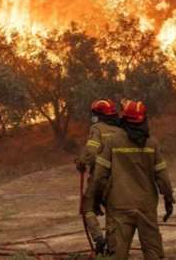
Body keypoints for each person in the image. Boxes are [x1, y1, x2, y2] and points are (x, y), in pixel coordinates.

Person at [88, 100, 174, 260]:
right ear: (144, 119)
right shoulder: (152, 144)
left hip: (119, 207)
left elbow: (99, 175)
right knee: (153, 253)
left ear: (124, 119)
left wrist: (96, 200)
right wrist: (169, 199)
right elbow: (163, 177)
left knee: (117, 255)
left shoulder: (112, 142)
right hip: (146, 206)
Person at [75, 99, 123, 254]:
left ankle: (99, 240)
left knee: (87, 206)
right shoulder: (121, 130)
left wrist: (81, 163)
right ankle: (113, 249)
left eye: (94, 114)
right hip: (120, 178)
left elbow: (91, 151)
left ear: (99, 115)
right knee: (112, 211)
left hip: (100, 177)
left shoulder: (97, 128)